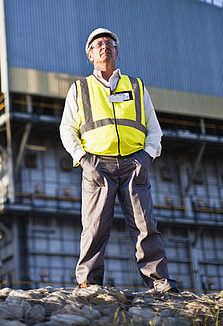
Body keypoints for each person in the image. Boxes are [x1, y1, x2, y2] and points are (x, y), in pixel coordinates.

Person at [59, 27, 179, 293]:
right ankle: (88, 281)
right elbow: (67, 129)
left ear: (117, 49)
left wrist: (147, 156)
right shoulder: (80, 89)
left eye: (110, 43)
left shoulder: (136, 86)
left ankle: (159, 281)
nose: (105, 46)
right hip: (97, 166)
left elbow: (154, 128)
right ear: (90, 54)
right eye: (98, 44)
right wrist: (83, 159)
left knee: (144, 225)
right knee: (94, 226)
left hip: (133, 165)